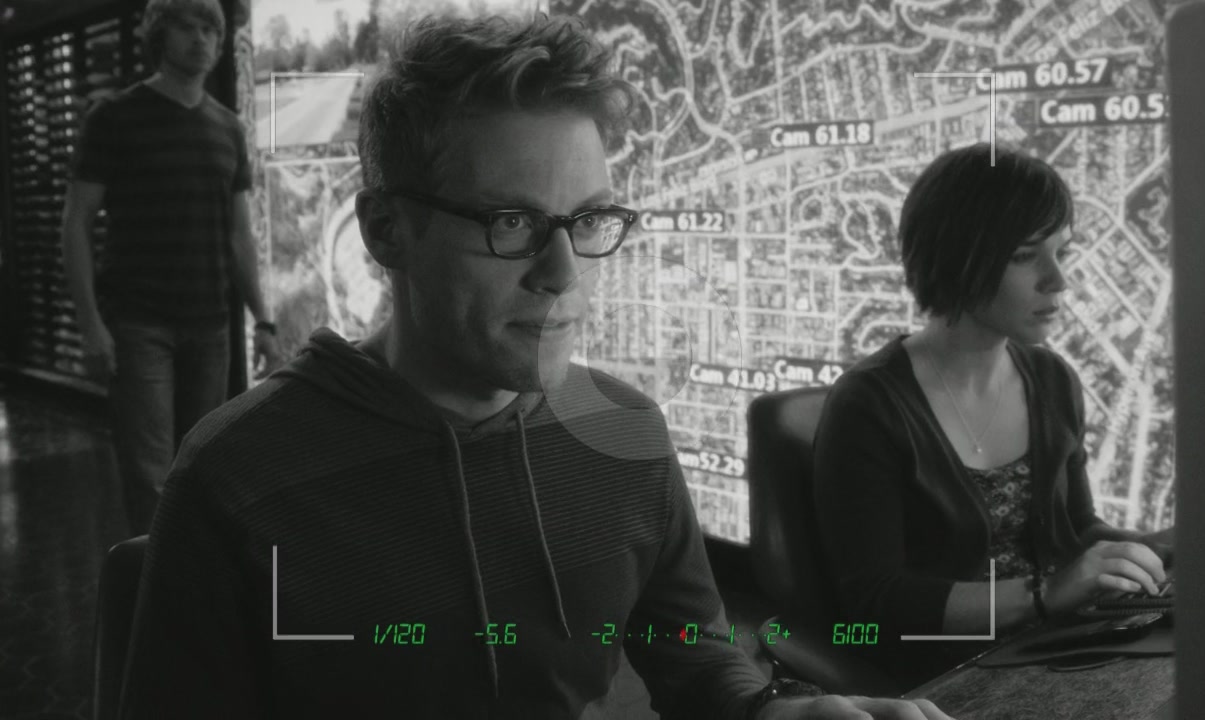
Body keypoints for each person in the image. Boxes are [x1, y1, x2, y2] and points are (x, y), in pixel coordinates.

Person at [117, 12, 955, 720]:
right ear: (385, 232)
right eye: (510, 222)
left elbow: (688, 648)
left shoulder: (626, 433)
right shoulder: (236, 480)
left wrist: (767, 709)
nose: (563, 273)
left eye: (587, 221)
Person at [811, 143, 1175, 689]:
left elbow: (1077, 527)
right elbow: (877, 602)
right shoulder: (867, 405)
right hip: (945, 677)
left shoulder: (1052, 378)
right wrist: (1044, 595)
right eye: (1026, 256)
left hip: (1054, 650)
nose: (1058, 280)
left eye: (1062, 252)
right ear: (958, 257)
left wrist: (1157, 552)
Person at [60, 0, 282, 538]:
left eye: (211, 29)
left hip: (209, 323)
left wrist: (264, 321)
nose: (201, 38)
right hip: (138, 323)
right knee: (150, 475)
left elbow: (239, 236)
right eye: (187, 26)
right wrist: (90, 323)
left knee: (201, 466)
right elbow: (76, 221)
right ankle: (151, 582)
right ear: (160, 34)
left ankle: (190, 576)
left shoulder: (228, 128)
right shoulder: (113, 117)